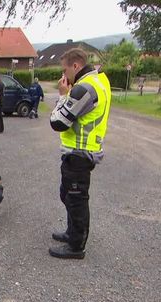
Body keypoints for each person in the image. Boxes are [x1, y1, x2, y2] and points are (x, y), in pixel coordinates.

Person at [48, 48, 111, 259]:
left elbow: (58, 123)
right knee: (67, 195)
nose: (63, 75)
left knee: (76, 200)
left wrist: (63, 96)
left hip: (79, 153)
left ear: (75, 66)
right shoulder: (100, 80)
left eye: (65, 69)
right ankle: (71, 232)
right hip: (80, 151)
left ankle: (76, 246)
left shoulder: (83, 89)